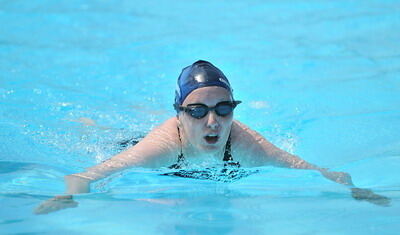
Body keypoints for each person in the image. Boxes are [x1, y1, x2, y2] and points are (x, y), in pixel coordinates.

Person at [35, 60, 390, 214]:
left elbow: (311, 169)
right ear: (179, 114)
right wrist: (68, 197)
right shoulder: (162, 146)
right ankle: (92, 125)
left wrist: (355, 190)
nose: (213, 122)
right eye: (197, 111)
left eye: (223, 109)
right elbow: (90, 175)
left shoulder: (246, 143)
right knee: (119, 141)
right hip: (152, 149)